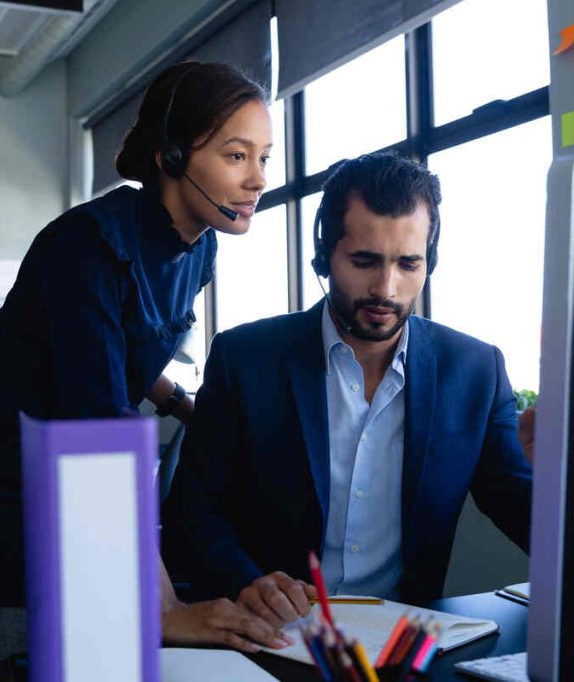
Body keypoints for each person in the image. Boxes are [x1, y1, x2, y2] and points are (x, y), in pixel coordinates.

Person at [0, 60, 279, 657]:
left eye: (264, 158)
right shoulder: (86, 244)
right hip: (8, 493)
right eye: (237, 156)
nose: (257, 179)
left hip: (79, 482)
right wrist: (160, 609)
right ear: (172, 156)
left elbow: (127, 342)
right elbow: (97, 428)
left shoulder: (199, 248)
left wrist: (180, 402)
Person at [161, 152, 534, 627]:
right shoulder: (247, 358)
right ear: (325, 253)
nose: (387, 288)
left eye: (408, 264)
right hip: (272, 634)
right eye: (364, 261)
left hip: (402, 644)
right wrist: (246, 581)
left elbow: (522, 508)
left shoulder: (475, 371)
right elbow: (192, 514)